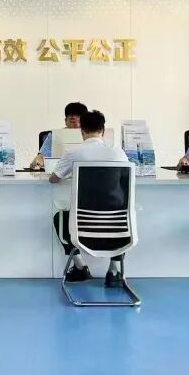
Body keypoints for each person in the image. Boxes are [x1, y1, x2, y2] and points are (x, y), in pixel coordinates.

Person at [49, 109, 130, 287]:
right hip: (116, 225)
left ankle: (80, 267)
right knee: (125, 216)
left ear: (82, 131)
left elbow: (54, 179)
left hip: (82, 226)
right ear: (103, 130)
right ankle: (114, 270)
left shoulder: (74, 152)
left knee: (59, 218)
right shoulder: (119, 153)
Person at [29, 101, 88, 170]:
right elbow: (42, 157)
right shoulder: (55, 136)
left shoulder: (91, 136)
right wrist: (38, 161)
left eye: (80, 121)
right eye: (72, 121)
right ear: (66, 121)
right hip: (59, 173)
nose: (77, 125)